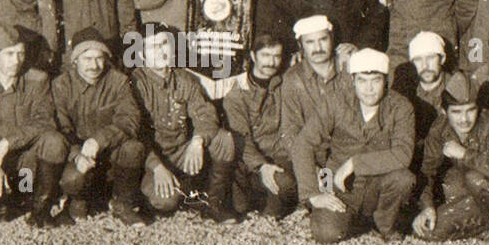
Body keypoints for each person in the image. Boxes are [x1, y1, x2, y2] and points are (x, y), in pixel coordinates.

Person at [292, 48, 416, 244]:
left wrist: (354, 163)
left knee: (403, 178)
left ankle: (384, 223)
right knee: (327, 234)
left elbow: (403, 154)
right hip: (337, 186)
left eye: (375, 80)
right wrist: (313, 194)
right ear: (352, 80)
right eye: (362, 81)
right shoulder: (335, 103)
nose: (369, 89)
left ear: (386, 80)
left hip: (376, 185)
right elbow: (303, 143)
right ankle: (349, 219)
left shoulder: (401, 107)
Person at [0, 23, 68, 226]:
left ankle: (40, 209)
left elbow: (44, 122)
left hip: (28, 158)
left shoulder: (37, 80)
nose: (16, 61)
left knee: (55, 141)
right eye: (9, 54)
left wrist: (6, 143)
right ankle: (4, 201)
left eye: (20, 53)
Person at [129, 28, 237, 222]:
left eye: (165, 44)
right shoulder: (135, 84)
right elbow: (135, 134)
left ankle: (213, 202)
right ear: (141, 54)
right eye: (153, 46)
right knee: (164, 203)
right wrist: (157, 167)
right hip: (152, 158)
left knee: (223, 139)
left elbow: (205, 114)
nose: (161, 51)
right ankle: (169, 193)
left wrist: (197, 141)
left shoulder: (184, 78)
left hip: (182, 151)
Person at [52, 27, 146, 225]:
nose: (94, 65)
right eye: (87, 59)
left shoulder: (119, 81)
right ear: (75, 60)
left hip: (109, 152)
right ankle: (77, 202)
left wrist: (99, 140)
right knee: (73, 178)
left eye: (99, 58)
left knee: (133, 148)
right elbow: (60, 127)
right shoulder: (61, 85)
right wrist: (78, 154)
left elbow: (129, 119)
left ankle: (122, 204)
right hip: (77, 154)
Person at [412, 71, 489, 242]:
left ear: (479, 109)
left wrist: (464, 154)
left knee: (474, 178)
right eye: (457, 112)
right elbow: (427, 171)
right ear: (444, 112)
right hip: (468, 192)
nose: (464, 119)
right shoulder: (440, 128)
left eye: (470, 111)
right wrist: (427, 207)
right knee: (429, 231)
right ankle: (486, 227)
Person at [222, 32, 297, 219]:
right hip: (249, 161)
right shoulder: (237, 95)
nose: (271, 62)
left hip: (279, 157)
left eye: (276, 56)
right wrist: (262, 166)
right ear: (254, 56)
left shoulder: (284, 85)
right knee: (240, 207)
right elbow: (241, 138)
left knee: (282, 189)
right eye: (265, 55)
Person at [280, 15, 353, 138]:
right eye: (310, 42)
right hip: (313, 150)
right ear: (300, 45)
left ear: (332, 38)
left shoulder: (349, 66)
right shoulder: (293, 78)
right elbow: (291, 130)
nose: (318, 48)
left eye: (323, 39)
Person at [394, 31, 450, 165]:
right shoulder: (407, 91)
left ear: (442, 59)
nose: (425, 66)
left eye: (431, 58)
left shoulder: (457, 86)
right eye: (418, 59)